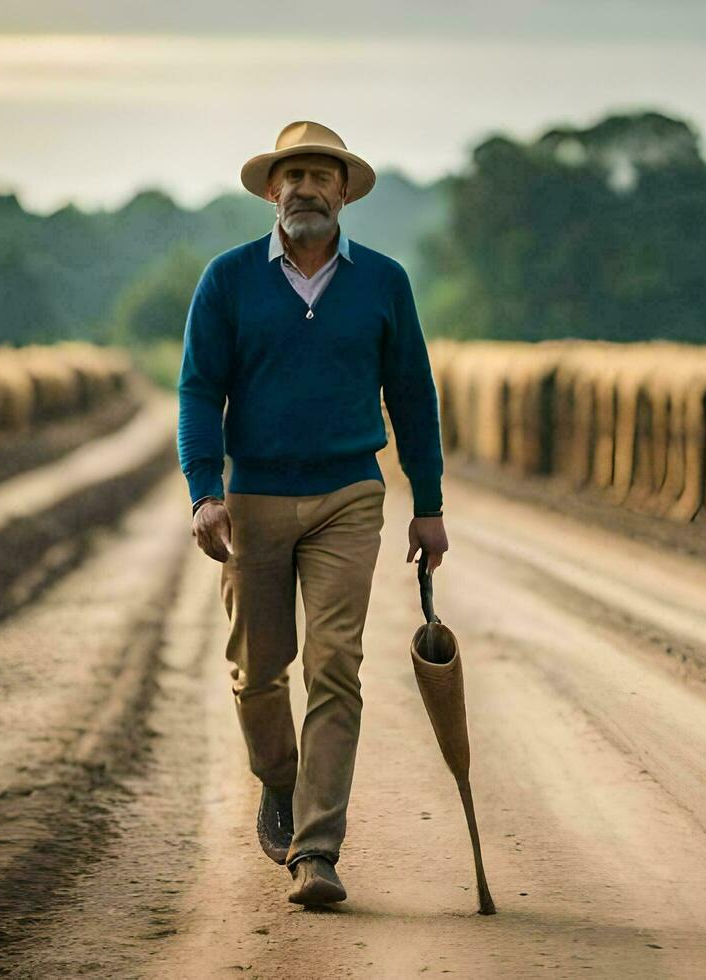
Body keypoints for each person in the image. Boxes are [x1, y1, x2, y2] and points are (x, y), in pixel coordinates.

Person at [175, 120, 449, 907]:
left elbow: (413, 397)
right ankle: (281, 780)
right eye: (290, 175)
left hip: (349, 496)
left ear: (343, 191)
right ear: (271, 191)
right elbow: (199, 389)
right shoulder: (227, 280)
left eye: (319, 176)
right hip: (253, 496)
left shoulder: (384, 282)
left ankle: (317, 847)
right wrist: (205, 491)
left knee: (336, 664)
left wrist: (427, 506)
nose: (304, 188)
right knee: (258, 672)